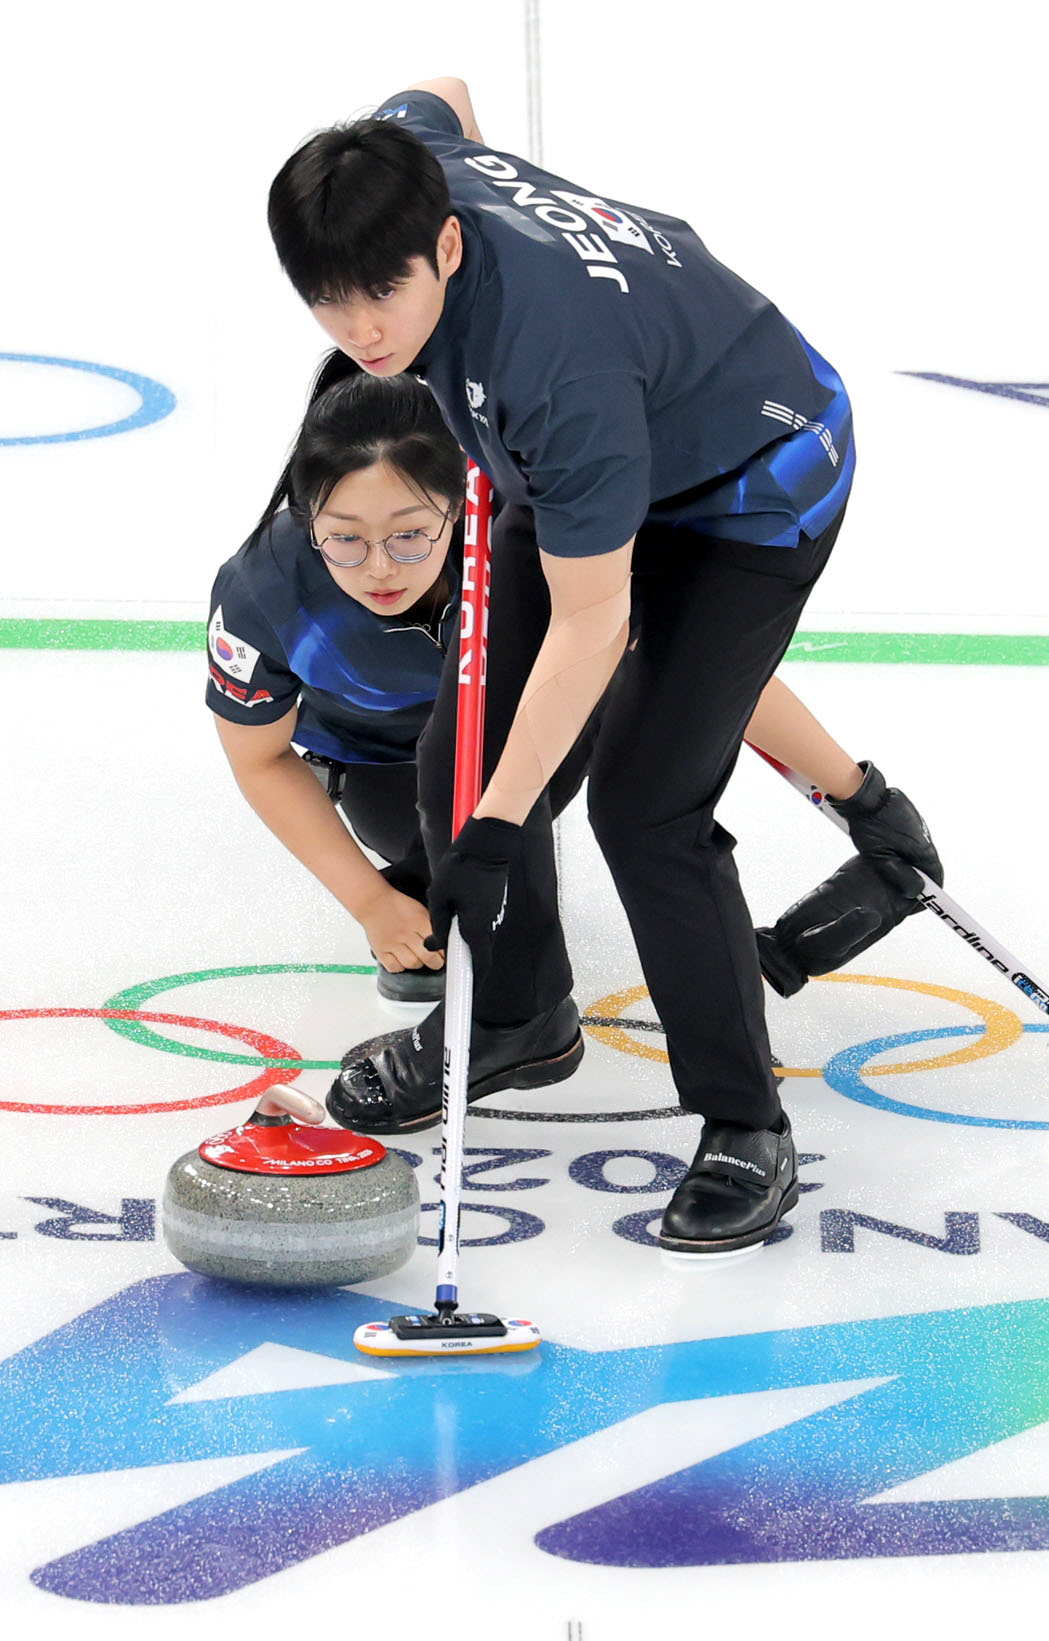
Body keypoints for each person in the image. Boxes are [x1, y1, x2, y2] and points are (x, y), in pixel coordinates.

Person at [286, 90, 949, 1257]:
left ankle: (744, 1123)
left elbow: (595, 628)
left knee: (645, 803)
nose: (361, 332)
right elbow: (442, 93)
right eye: (329, 300)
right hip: (599, 445)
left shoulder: (557, 371)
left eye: (383, 292)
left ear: (447, 245)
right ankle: (515, 1018)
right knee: (461, 756)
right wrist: (485, 805)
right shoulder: (409, 168)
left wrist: (496, 831)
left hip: (750, 485)